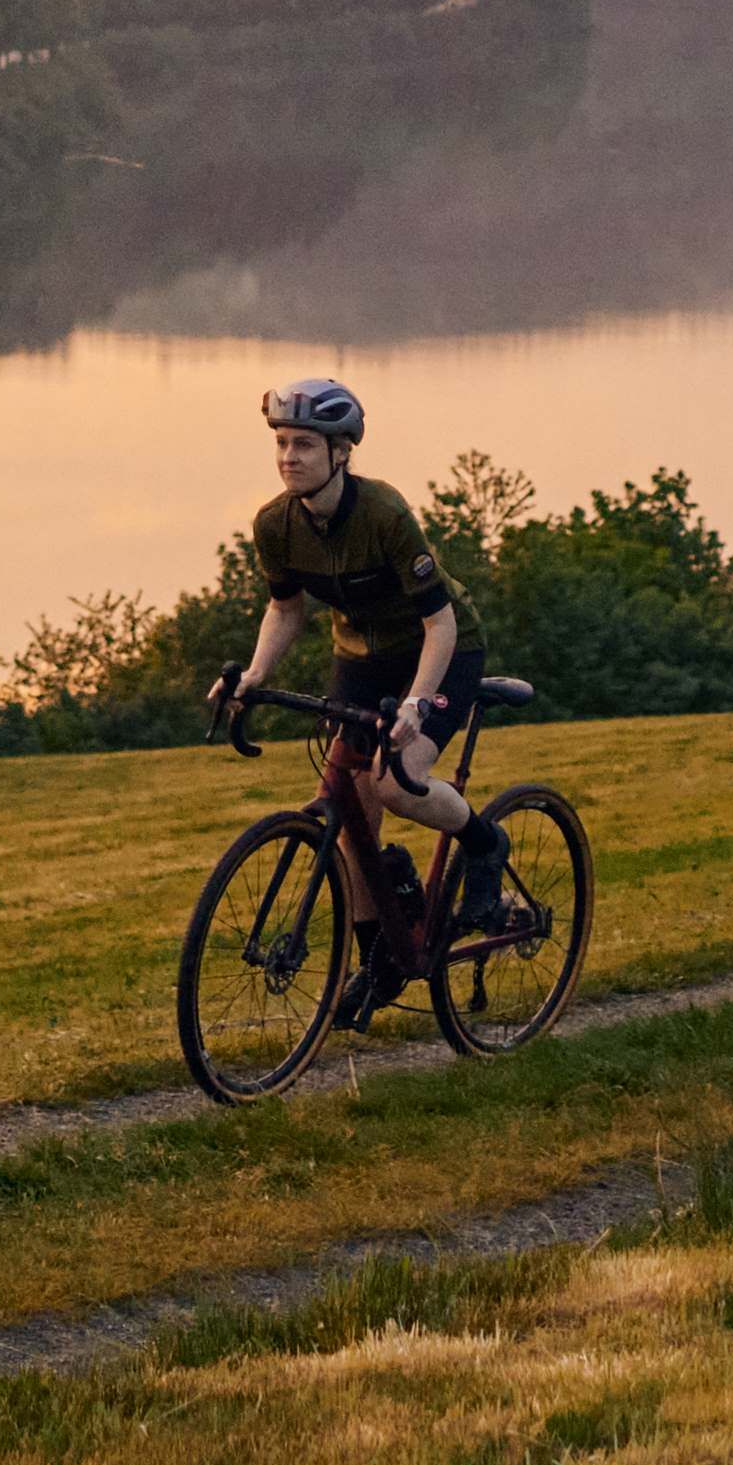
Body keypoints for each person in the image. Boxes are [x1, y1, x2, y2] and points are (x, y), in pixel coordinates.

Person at [210, 374, 476, 1029]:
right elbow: (284, 610)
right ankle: (377, 959)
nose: (287, 455)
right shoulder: (274, 523)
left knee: (391, 782)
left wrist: (416, 705)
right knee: (349, 800)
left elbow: (438, 623)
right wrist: (251, 674)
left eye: (303, 443)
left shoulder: (383, 512)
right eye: (280, 441)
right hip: (359, 658)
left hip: (441, 648)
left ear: (339, 453)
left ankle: (484, 839)